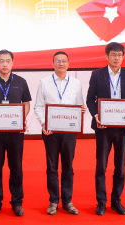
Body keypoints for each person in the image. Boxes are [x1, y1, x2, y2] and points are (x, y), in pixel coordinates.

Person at [86, 42, 125, 216]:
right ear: (106, 56)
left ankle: (116, 200)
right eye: (113, 54)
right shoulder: (97, 74)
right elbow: (90, 99)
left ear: (123, 57)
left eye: (119, 55)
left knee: (120, 167)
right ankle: (101, 202)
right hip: (103, 127)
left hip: (123, 128)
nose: (116, 58)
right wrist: (96, 115)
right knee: (101, 166)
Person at [33, 51, 87, 215]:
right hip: (50, 131)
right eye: (57, 61)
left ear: (68, 64)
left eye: (64, 61)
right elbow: (38, 106)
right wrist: (44, 123)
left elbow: (79, 105)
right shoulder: (44, 82)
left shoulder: (76, 83)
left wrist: (82, 110)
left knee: (68, 166)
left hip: (69, 131)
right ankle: (53, 201)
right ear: (53, 64)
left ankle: (68, 201)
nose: (61, 64)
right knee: (52, 166)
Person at [0, 50, 32, 217]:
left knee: (16, 167)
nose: (4, 64)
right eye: (1, 61)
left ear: (12, 63)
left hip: (15, 132)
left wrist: (20, 119)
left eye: (8, 61)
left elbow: (26, 104)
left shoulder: (21, 82)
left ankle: (17, 202)